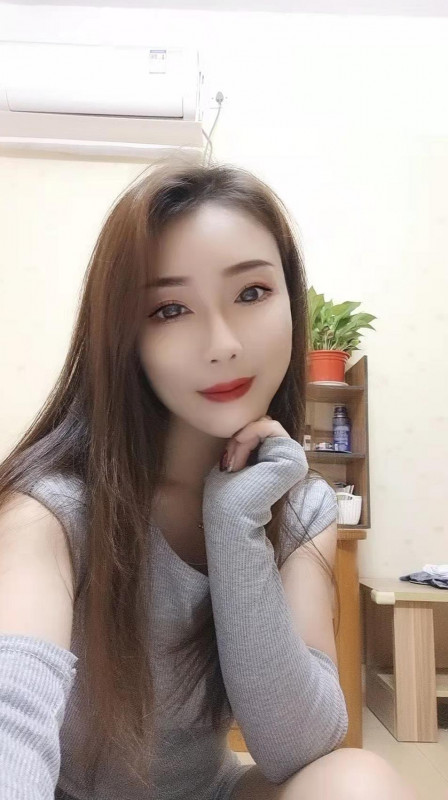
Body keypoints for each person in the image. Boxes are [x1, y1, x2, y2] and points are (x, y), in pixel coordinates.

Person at [0, 155, 417, 800]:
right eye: (170, 309)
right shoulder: (49, 510)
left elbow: (296, 747)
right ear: (123, 335)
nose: (222, 343)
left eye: (251, 293)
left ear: (290, 299)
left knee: (358, 781)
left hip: (206, 791)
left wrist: (235, 526)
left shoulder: (298, 506)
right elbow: (12, 712)